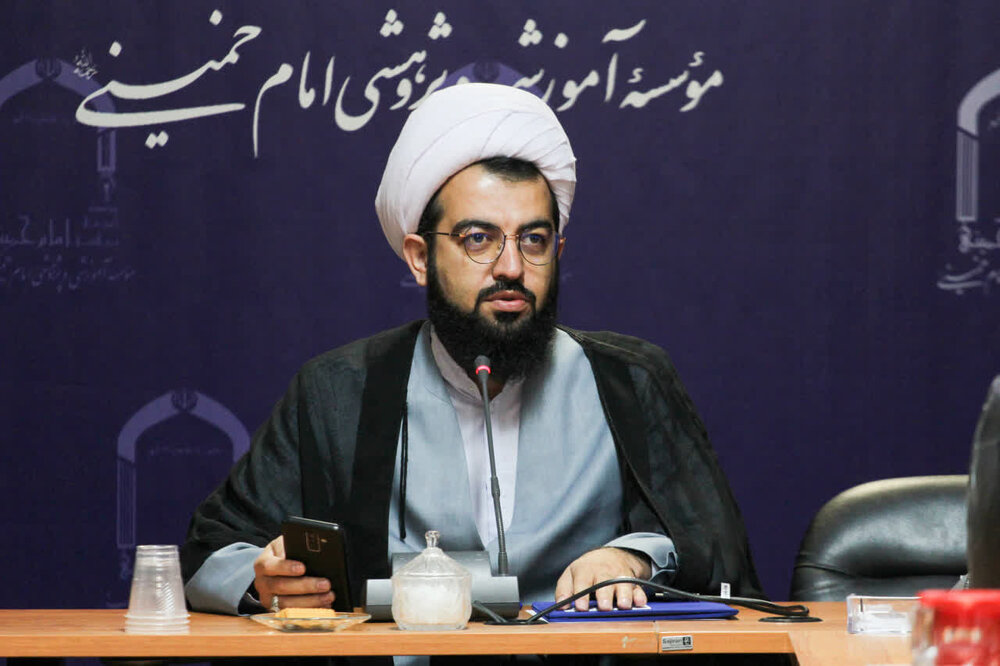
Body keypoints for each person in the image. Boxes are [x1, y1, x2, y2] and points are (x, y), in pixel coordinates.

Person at [180, 83, 764, 619]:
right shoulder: (339, 390)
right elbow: (213, 549)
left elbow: (713, 551)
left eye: (533, 240)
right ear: (419, 257)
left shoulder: (629, 379)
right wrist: (267, 582)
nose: (511, 267)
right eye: (478, 239)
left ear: (558, 251)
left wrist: (631, 558)